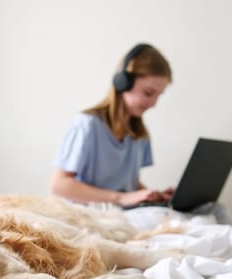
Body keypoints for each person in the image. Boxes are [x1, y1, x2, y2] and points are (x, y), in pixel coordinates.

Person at [51, 43, 174, 207]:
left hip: (125, 213)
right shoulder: (87, 125)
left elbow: (129, 185)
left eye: (158, 96)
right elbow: (59, 185)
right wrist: (119, 198)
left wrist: (152, 196)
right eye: (148, 93)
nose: (153, 104)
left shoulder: (139, 133)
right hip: (87, 215)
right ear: (122, 83)